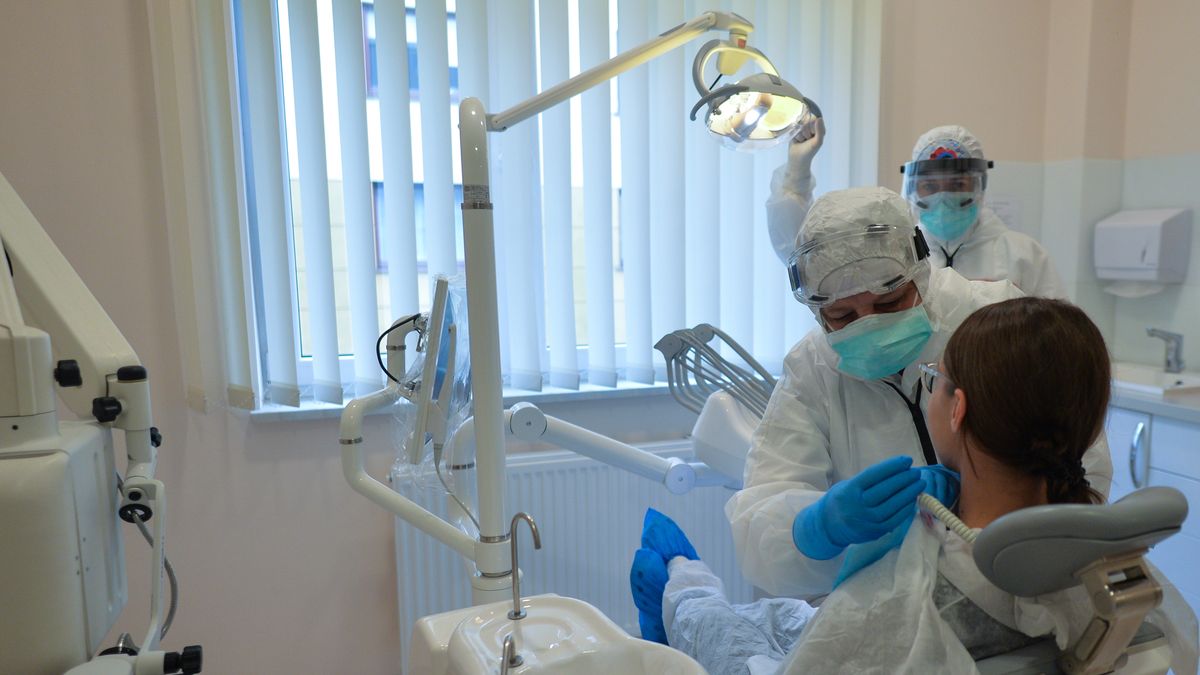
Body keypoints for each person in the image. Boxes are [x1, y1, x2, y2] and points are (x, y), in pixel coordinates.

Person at [632, 298, 1196, 675]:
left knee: (728, 631)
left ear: (957, 409)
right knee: (782, 615)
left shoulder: (940, 577)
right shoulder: (1103, 566)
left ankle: (681, 589)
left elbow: (836, 650)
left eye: (936, 379)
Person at [725, 186, 1113, 600]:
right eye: (843, 316)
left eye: (890, 303)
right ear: (819, 313)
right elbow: (761, 526)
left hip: (1020, 586)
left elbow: (1080, 463)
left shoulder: (993, 323)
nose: (869, 324)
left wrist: (987, 499)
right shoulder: (814, 369)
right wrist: (818, 528)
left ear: (920, 272)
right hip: (886, 611)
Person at [766, 122, 1067, 298]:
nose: (943, 197)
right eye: (930, 186)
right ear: (912, 188)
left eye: (958, 184)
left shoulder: (1024, 256)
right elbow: (812, 258)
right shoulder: (892, 249)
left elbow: (1061, 336)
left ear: (979, 187)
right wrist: (796, 175)